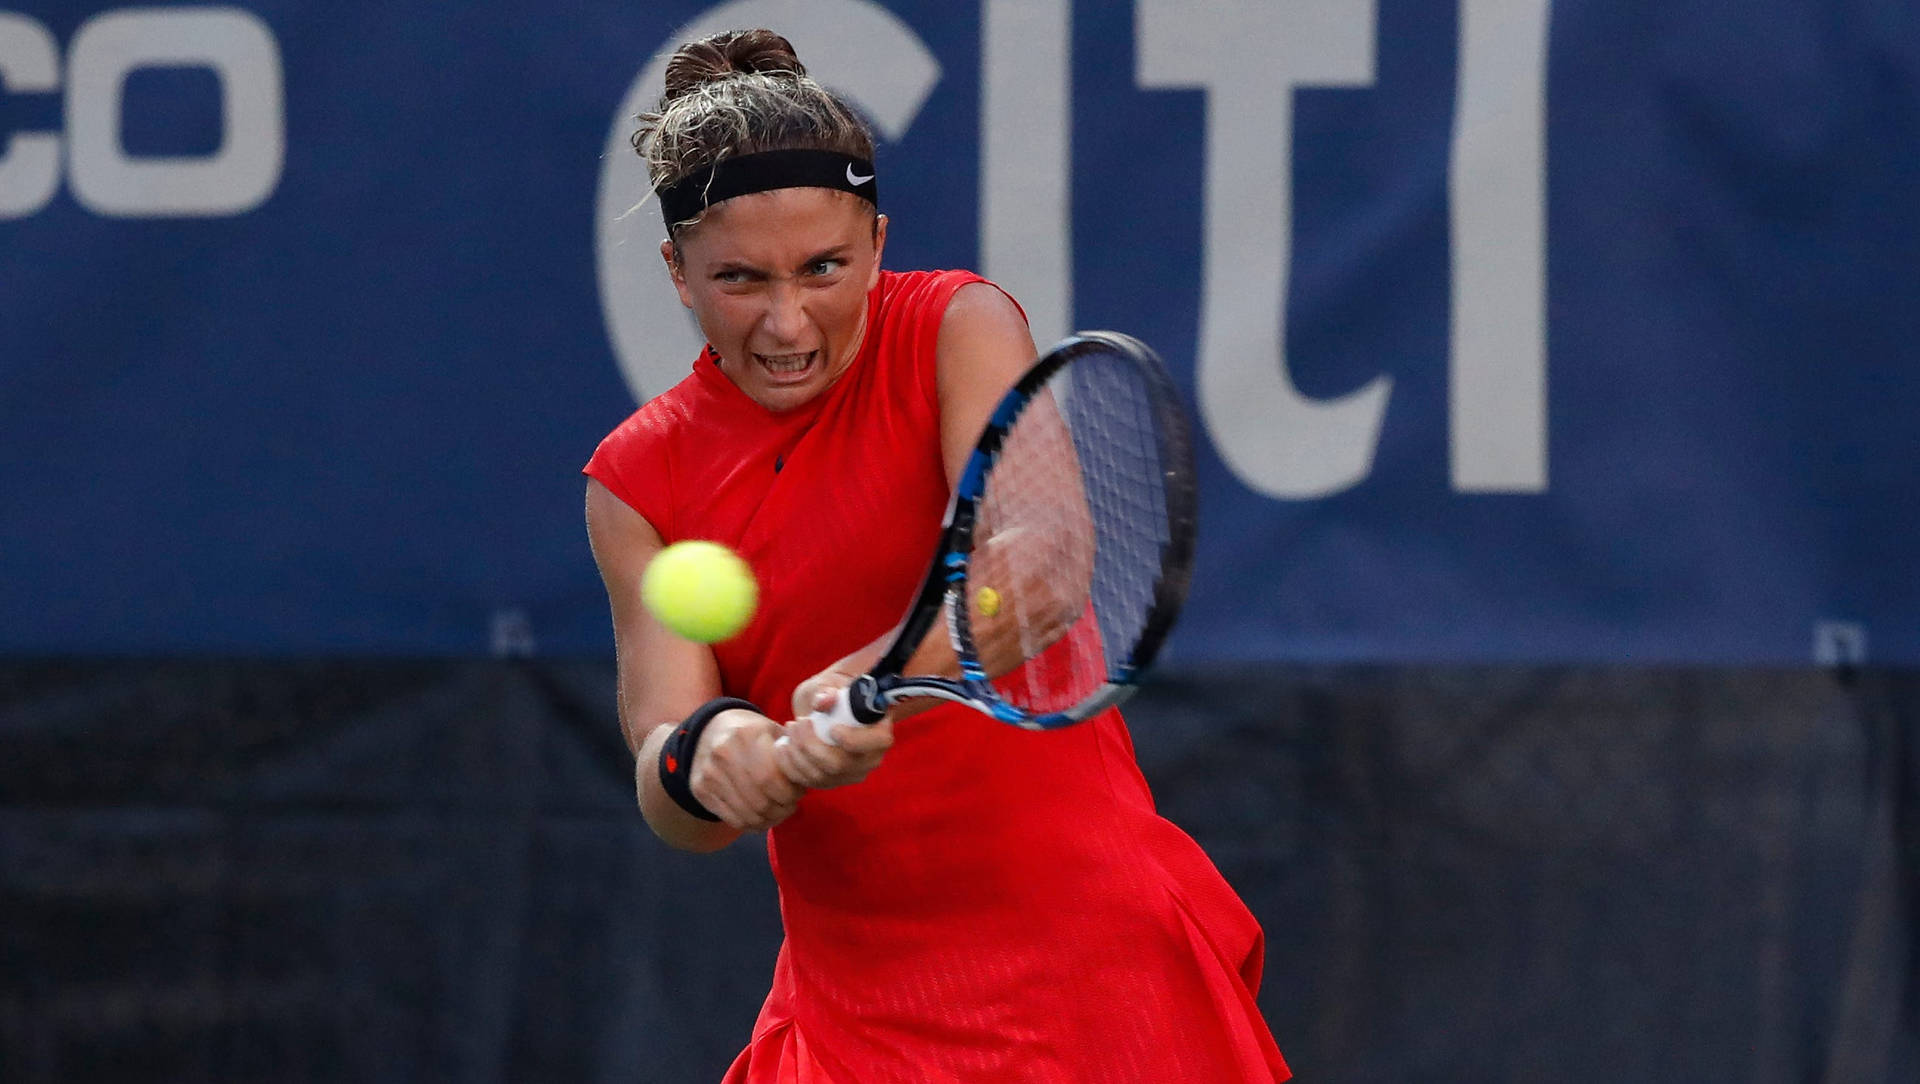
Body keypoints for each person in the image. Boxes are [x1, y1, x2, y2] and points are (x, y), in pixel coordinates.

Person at [583, 28, 1290, 1083]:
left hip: (1090, 966)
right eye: (739, 278)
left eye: (824, 267)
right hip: (853, 1009)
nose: (788, 322)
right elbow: (665, 764)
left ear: (876, 241)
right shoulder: (638, 479)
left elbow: (1039, 572)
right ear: (677, 272)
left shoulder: (959, 326)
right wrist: (721, 753)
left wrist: (868, 686)